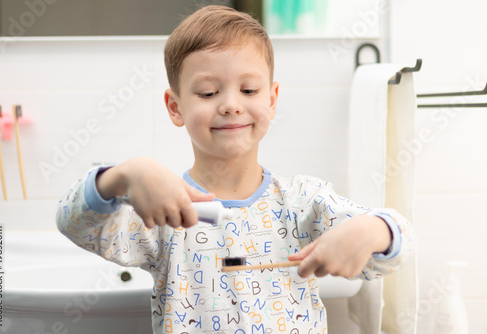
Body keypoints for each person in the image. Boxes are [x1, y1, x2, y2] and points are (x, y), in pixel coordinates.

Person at [57, 5, 415, 333]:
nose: (230, 105)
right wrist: (126, 174)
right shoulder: (166, 213)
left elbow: (397, 245)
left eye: (248, 89)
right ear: (175, 107)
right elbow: (74, 222)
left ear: (271, 100)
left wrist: (373, 229)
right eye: (209, 93)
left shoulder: (304, 202)